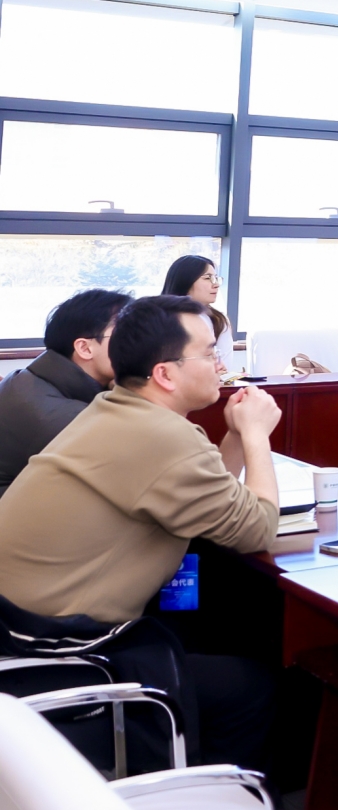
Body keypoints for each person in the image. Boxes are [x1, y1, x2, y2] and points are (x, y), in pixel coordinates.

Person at [0, 295, 282, 766]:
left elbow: (204, 491)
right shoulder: (163, 437)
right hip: (59, 647)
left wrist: (234, 435)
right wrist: (257, 436)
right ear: (165, 374)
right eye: (210, 353)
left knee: (205, 629)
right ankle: (205, 799)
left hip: (18, 624)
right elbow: (258, 530)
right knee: (251, 687)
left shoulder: (117, 408)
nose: (221, 364)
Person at [0, 289, 132, 498]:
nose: (138, 344)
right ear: (84, 348)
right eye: (125, 335)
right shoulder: (69, 420)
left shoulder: (27, 377)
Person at [163, 255, 233, 369]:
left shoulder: (218, 320)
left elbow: (225, 370)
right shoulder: (158, 318)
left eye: (216, 278)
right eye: (207, 278)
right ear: (185, 281)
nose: (216, 284)